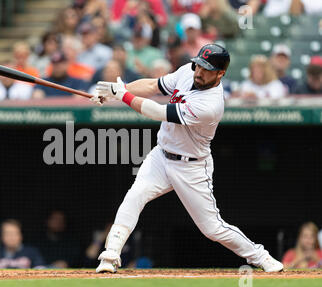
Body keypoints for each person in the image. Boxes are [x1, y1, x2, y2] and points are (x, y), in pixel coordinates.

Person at [90, 44, 284, 273]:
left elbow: (158, 112)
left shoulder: (211, 105)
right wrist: (117, 90)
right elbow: (153, 85)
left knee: (212, 228)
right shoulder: (187, 72)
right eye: (198, 65)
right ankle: (110, 255)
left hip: (191, 166)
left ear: (220, 73)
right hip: (161, 156)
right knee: (135, 195)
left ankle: (260, 256)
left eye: (207, 69)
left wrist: (123, 96)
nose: (199, 72)